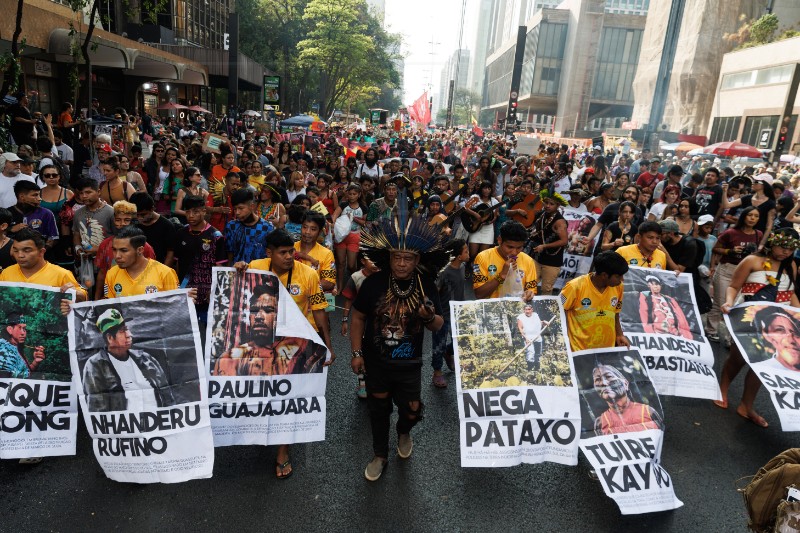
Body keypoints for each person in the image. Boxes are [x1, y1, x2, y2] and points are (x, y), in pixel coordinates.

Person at [233, 229, 335, 480]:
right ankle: (263, 432)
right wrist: (238, 269)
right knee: (263, 394)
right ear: (269, 254)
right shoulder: (255, 267)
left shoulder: (309, 274)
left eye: (292, 251)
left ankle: (282, 451)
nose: (290, 256)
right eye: (283, 252)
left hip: (297, 345)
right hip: (261, 344)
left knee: (288, 398)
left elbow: (320, 311)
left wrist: (327, 346)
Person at [350, 216, 446, 481]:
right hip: (377, 362)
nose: (402, 264)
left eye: (408, 258)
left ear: (417, 261)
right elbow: (358, 317)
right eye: (397, 258)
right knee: (378, 410)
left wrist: (427, 316)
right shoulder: (374, 283)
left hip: (410, 363)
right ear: (388, 258)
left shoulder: (426, 284)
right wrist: (357, 353)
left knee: (411, 409)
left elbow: (438, 325)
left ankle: (404, 432)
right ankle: (380, 455)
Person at [715, 229, 800, 427]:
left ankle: (746, 405)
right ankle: (723, 390)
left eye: (791, 249)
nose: (786, 252)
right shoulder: (752, 261)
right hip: (749, 318)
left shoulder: (791, 266)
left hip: (779, 322)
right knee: (738, 357)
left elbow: (790, 293)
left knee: (765, 364)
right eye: (783, 247)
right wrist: (728, 302)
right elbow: (734, 286)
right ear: (773, 243)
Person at [82, 308, 178, 412]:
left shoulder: (146, 359)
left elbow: (168, 397)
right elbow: (97, 409)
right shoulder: (95, 365)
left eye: (127, 329)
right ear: (110, 338)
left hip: (157, 424)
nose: (129, 335)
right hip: (125, 426)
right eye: (122, 331)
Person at [170, 195, 227, 328]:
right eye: (188, 211)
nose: (191, 215)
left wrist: (214, 290)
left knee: (207, 331)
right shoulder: (180, 234)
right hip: (185, 292)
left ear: (204, 212)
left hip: (207, 294)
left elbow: (220, 266)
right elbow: (177, 263)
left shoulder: (216, 236)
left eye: (195, 212)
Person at [708, 207, 763, 343]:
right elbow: (715, 248)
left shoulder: (758, 234)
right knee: (722, 303)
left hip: (745, 273)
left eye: (756, 216)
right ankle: (711, 330)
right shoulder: (730, 232)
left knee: (737, 306)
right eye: (749, 215)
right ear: (743, 216)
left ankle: (729, 337)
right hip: (727, 269)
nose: (752, 218)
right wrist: (730, 251)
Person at [560, 250, 630, 352]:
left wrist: (619, 334)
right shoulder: (574, 287)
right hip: (579, 350)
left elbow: (615, 312)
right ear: (604, 275)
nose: (622, 280)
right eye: (618, 276)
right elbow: (558, 313)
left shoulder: (618, 287)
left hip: (607, 350)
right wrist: (563, 341)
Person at [94, 201, 156, 300]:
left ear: (133, 221)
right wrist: (96, 300)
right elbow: (102, 273)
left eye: (126, 220)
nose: (122, 224)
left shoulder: (144, 247)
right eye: (118, 220)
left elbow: (152, 271)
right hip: (113, 293)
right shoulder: (105, 244)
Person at [431, 239, 468, 389]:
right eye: (466, 251)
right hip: (444, 314)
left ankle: (448, 351)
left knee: (460, 339)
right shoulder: (444, 272)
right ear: (458, 256)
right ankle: (437, 372)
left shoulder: (463, 266)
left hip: (459, 311)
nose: (468, 253)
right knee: (438, 342)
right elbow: (434, 291)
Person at [103, 226, 179, 298]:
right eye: (114, 250)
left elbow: (176, 306)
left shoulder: (165, 273)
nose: (117, 256)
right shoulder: (112, 273)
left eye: (124, 250)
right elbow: (111, 308)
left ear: (140, 250)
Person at [591, 363, 663, 435]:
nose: (603, 383)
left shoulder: (648, 412)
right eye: (597, 379)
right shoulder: (600, 422)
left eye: (609, 376)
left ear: (625, 384)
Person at [473, 220, 537, 300]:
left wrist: (529, 293)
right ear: (499, 240)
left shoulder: (528, 261)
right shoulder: (482, 257)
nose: (514, 252)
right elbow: (479, 294)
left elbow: (531, 290)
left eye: (519, 248)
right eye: (510, 247)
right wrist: (502, 275)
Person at [529, 190, 568, 294]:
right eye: (546, 203)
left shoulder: (560, 221)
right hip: (537, 257)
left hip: (552, 261)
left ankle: (543, 309)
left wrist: (544, 246)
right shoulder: (542, 215)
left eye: (551, 204)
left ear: (557, 205)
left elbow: (564, 241)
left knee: (546, 289)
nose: (548, 206)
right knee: (529, 284)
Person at [225, 188, 274, 264]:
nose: (237, 212)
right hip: (235, 273)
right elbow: (229, 253)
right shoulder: (231, 226)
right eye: (235, 209)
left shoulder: (267, 228)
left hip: (258, 272)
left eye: (241, 208)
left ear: (252, 206)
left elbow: (270, 255)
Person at [637, 274, 693, 339]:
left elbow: (680, 316)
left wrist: (687, 336)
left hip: (675, 333)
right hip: (658, 333)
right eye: (653, 284)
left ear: (660, 286)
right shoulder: (645, 298)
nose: (655, 287)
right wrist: (651, 334)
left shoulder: (669, 299)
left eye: (657, 284)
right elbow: (644, 315)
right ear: (649, 286)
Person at [129, 192, 176, 265]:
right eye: (136, 215)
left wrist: (164, 272)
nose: (140, 218)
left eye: (143, 214)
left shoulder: (166, 226)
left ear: (152, 208)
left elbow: (170, 252)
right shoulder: (132, 223)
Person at [293, 211, 335, 292]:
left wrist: (301, 287)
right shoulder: (290, 248)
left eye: (313, 229)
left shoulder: (327, 254)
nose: (307, 232)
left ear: (319, 232)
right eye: (304, 227)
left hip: (312, 301)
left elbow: (329, 282)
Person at [8, 181, 59, 248]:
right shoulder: (7, 214)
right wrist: (9, 229)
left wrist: (38, 253)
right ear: (22, 197)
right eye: (34, 195)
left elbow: (53, 238)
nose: (39, 199)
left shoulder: (46, 213)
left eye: (39, 195)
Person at [517, 303, 554, 372]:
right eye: (525, 309)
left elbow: (539, 323)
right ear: (524, 310)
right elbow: (520, 329)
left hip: (537, 336)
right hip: (528, 338)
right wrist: (525, 338)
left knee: (538, 353)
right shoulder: (520, 317)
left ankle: (537, 369)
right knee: (530, 353)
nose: (527, 311)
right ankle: (530, 370)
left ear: (532, 310)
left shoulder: (535, 315)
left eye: (529, 309)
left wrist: (544, 322)